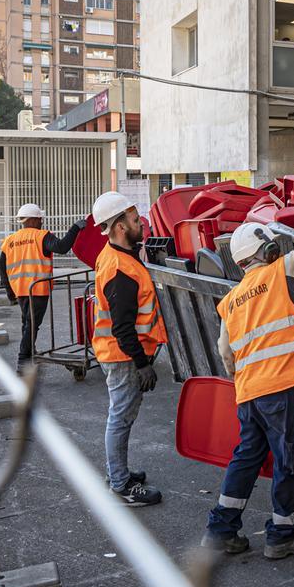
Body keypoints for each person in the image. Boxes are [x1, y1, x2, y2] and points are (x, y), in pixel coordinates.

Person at [202, 188, 294, 559]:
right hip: (283, 389)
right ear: (265, 250)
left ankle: (221, 528)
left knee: (247, 456)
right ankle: (281, 535)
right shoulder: (285, 272)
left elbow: (225, 352)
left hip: (249, 393)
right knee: (289, 458)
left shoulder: (231, 300)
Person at [90, 191, 167, 507]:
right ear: (119, 226)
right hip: (123, 356)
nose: (142, 224)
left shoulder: (118, 255)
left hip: (119, 353)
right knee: (120, 418)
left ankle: (117, 473)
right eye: (135, 221)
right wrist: (142, 363)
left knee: (120, 416)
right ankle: (121, 486)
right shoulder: (120, 270)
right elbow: (122, 327)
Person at [0, 203, 84, 375]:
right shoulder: (41, 236)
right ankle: (23, 361)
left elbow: (2, 267)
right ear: (35, 219)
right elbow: (61, 247)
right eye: (40, 219)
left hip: (20, 290)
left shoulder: (9, 241)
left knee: (27, 324)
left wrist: (10, 293)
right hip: (37, 289)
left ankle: (30, 354)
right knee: (32, 325)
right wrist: (75, 228)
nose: (42, 222)